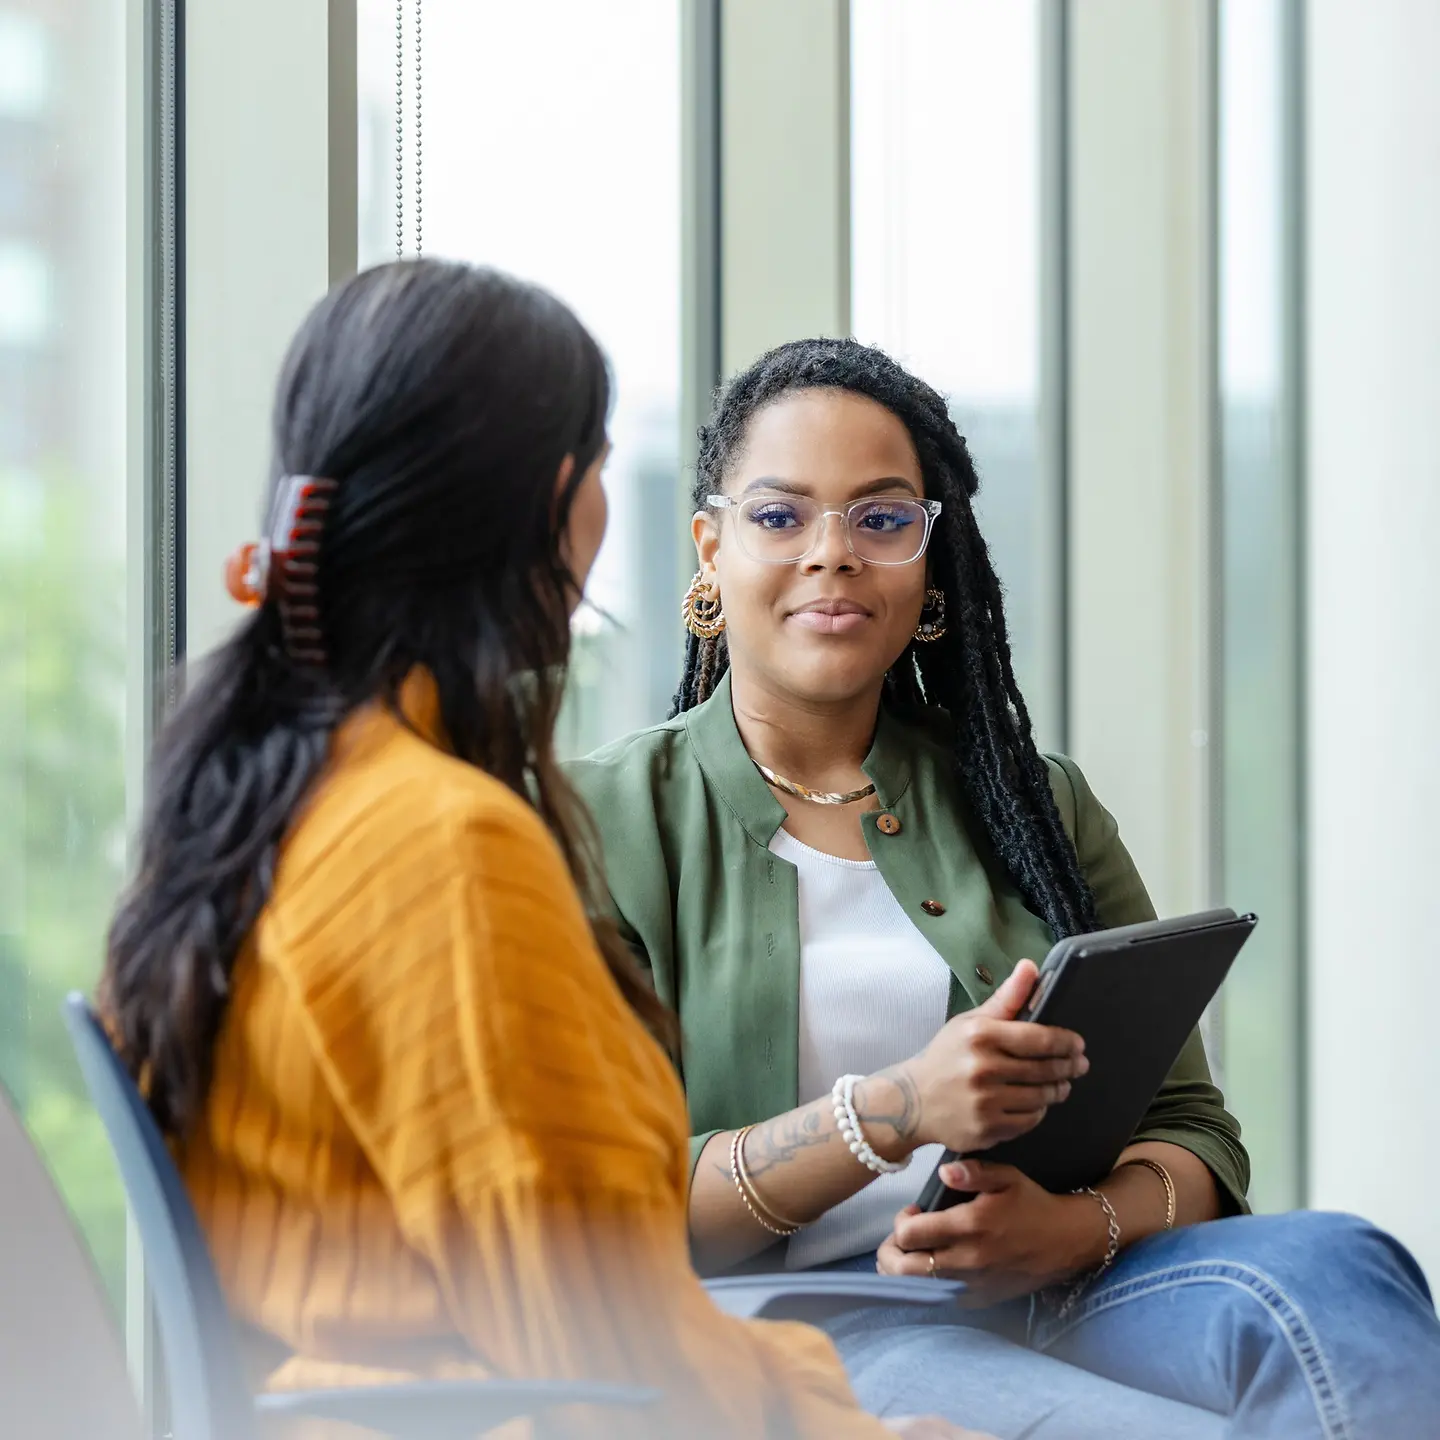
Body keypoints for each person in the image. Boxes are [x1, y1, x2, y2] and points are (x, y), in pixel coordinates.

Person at [98, 265, 989, 1440]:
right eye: (603, 464)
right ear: (559, 499)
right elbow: (594, 1334)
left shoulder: (271, 803)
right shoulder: (441, 850)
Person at [569, 336, 1440, 1438]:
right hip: (804, 1330)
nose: (832, 553)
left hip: (1071, 1285)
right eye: (781, 516)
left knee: (1344, 1262)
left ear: (930, 561)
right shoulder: (597, 824)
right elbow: (599, 1213)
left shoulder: (1035, 804)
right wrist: (895, 1111)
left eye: (883, 519)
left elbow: (1194, 1133)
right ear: (710, 547)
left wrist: (1069, 1232)